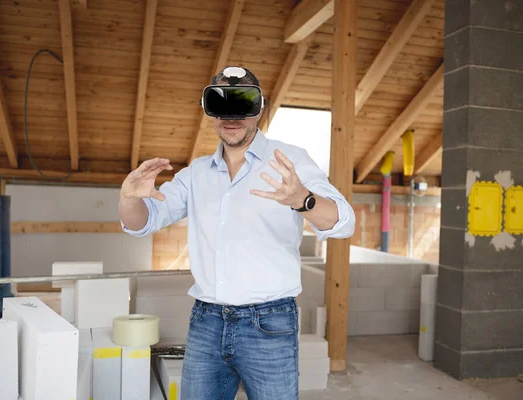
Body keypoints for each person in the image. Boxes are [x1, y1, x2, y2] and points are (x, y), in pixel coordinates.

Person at [119, 66, 355, 400]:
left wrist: (303, 200)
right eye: (220, 102)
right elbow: (143, 221)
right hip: (206, 321)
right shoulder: (196, 173)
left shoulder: (290, 161)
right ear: (209, 110)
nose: (231, 115)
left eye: (242, 101)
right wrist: (128, 197)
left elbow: (343, 221)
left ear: (259, 108)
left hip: (270, 324)